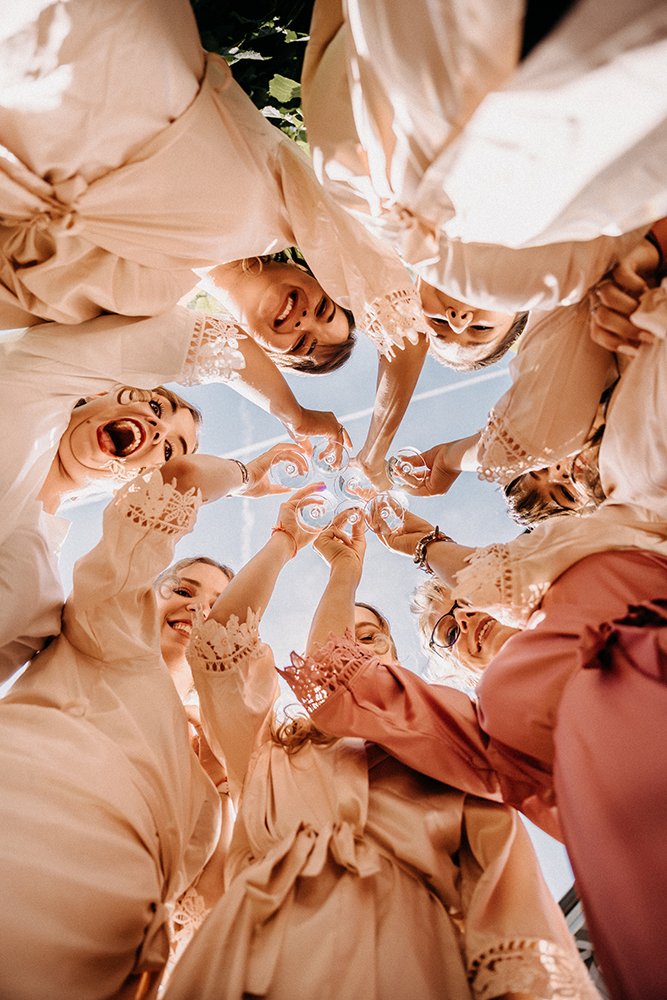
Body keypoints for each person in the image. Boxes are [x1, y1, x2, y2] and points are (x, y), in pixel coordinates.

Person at [163, 507, 598, 1000]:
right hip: (240, 952)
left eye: (368, 637)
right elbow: (217, 645)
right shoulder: (269, 747)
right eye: (339, 631)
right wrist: (284, 542)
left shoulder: (461, 745)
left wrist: (347, 574)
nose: (351, 644)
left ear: (394, 654)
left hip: (402, 952)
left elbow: (505, 902)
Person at [282, 544, 667, 1000]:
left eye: (467, 601)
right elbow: (338, 678)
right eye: (447, 631)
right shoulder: (483, 727)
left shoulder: (596, 586)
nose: (464, 620)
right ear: (459, 665)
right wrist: (346, 570)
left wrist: (427, 541)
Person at [0, 0, 426, 360]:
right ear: (319, 276)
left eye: (301, 345)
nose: (303, 320)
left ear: (266, 351)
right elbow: (347, 242)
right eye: (325, 309)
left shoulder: (154, 304)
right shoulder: (282, 212)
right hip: (109, 54)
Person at [0, 454, 253, 999]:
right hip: (25, 823)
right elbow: (177, 482)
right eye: (184, 590)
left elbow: (210, 899)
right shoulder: (108, 627)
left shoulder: (216, 753)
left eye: (216, 605)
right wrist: (250, 475)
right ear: (150, 592)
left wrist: (223, 781)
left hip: (113, 959)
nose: (197, 611)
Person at [301, 0, 667, 329]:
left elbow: (333, 30)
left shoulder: (352, 193)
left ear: (417, 291)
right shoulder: (549, 269)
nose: (458, 322)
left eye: (438, 325)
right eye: (480, 331)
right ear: (519, 316)